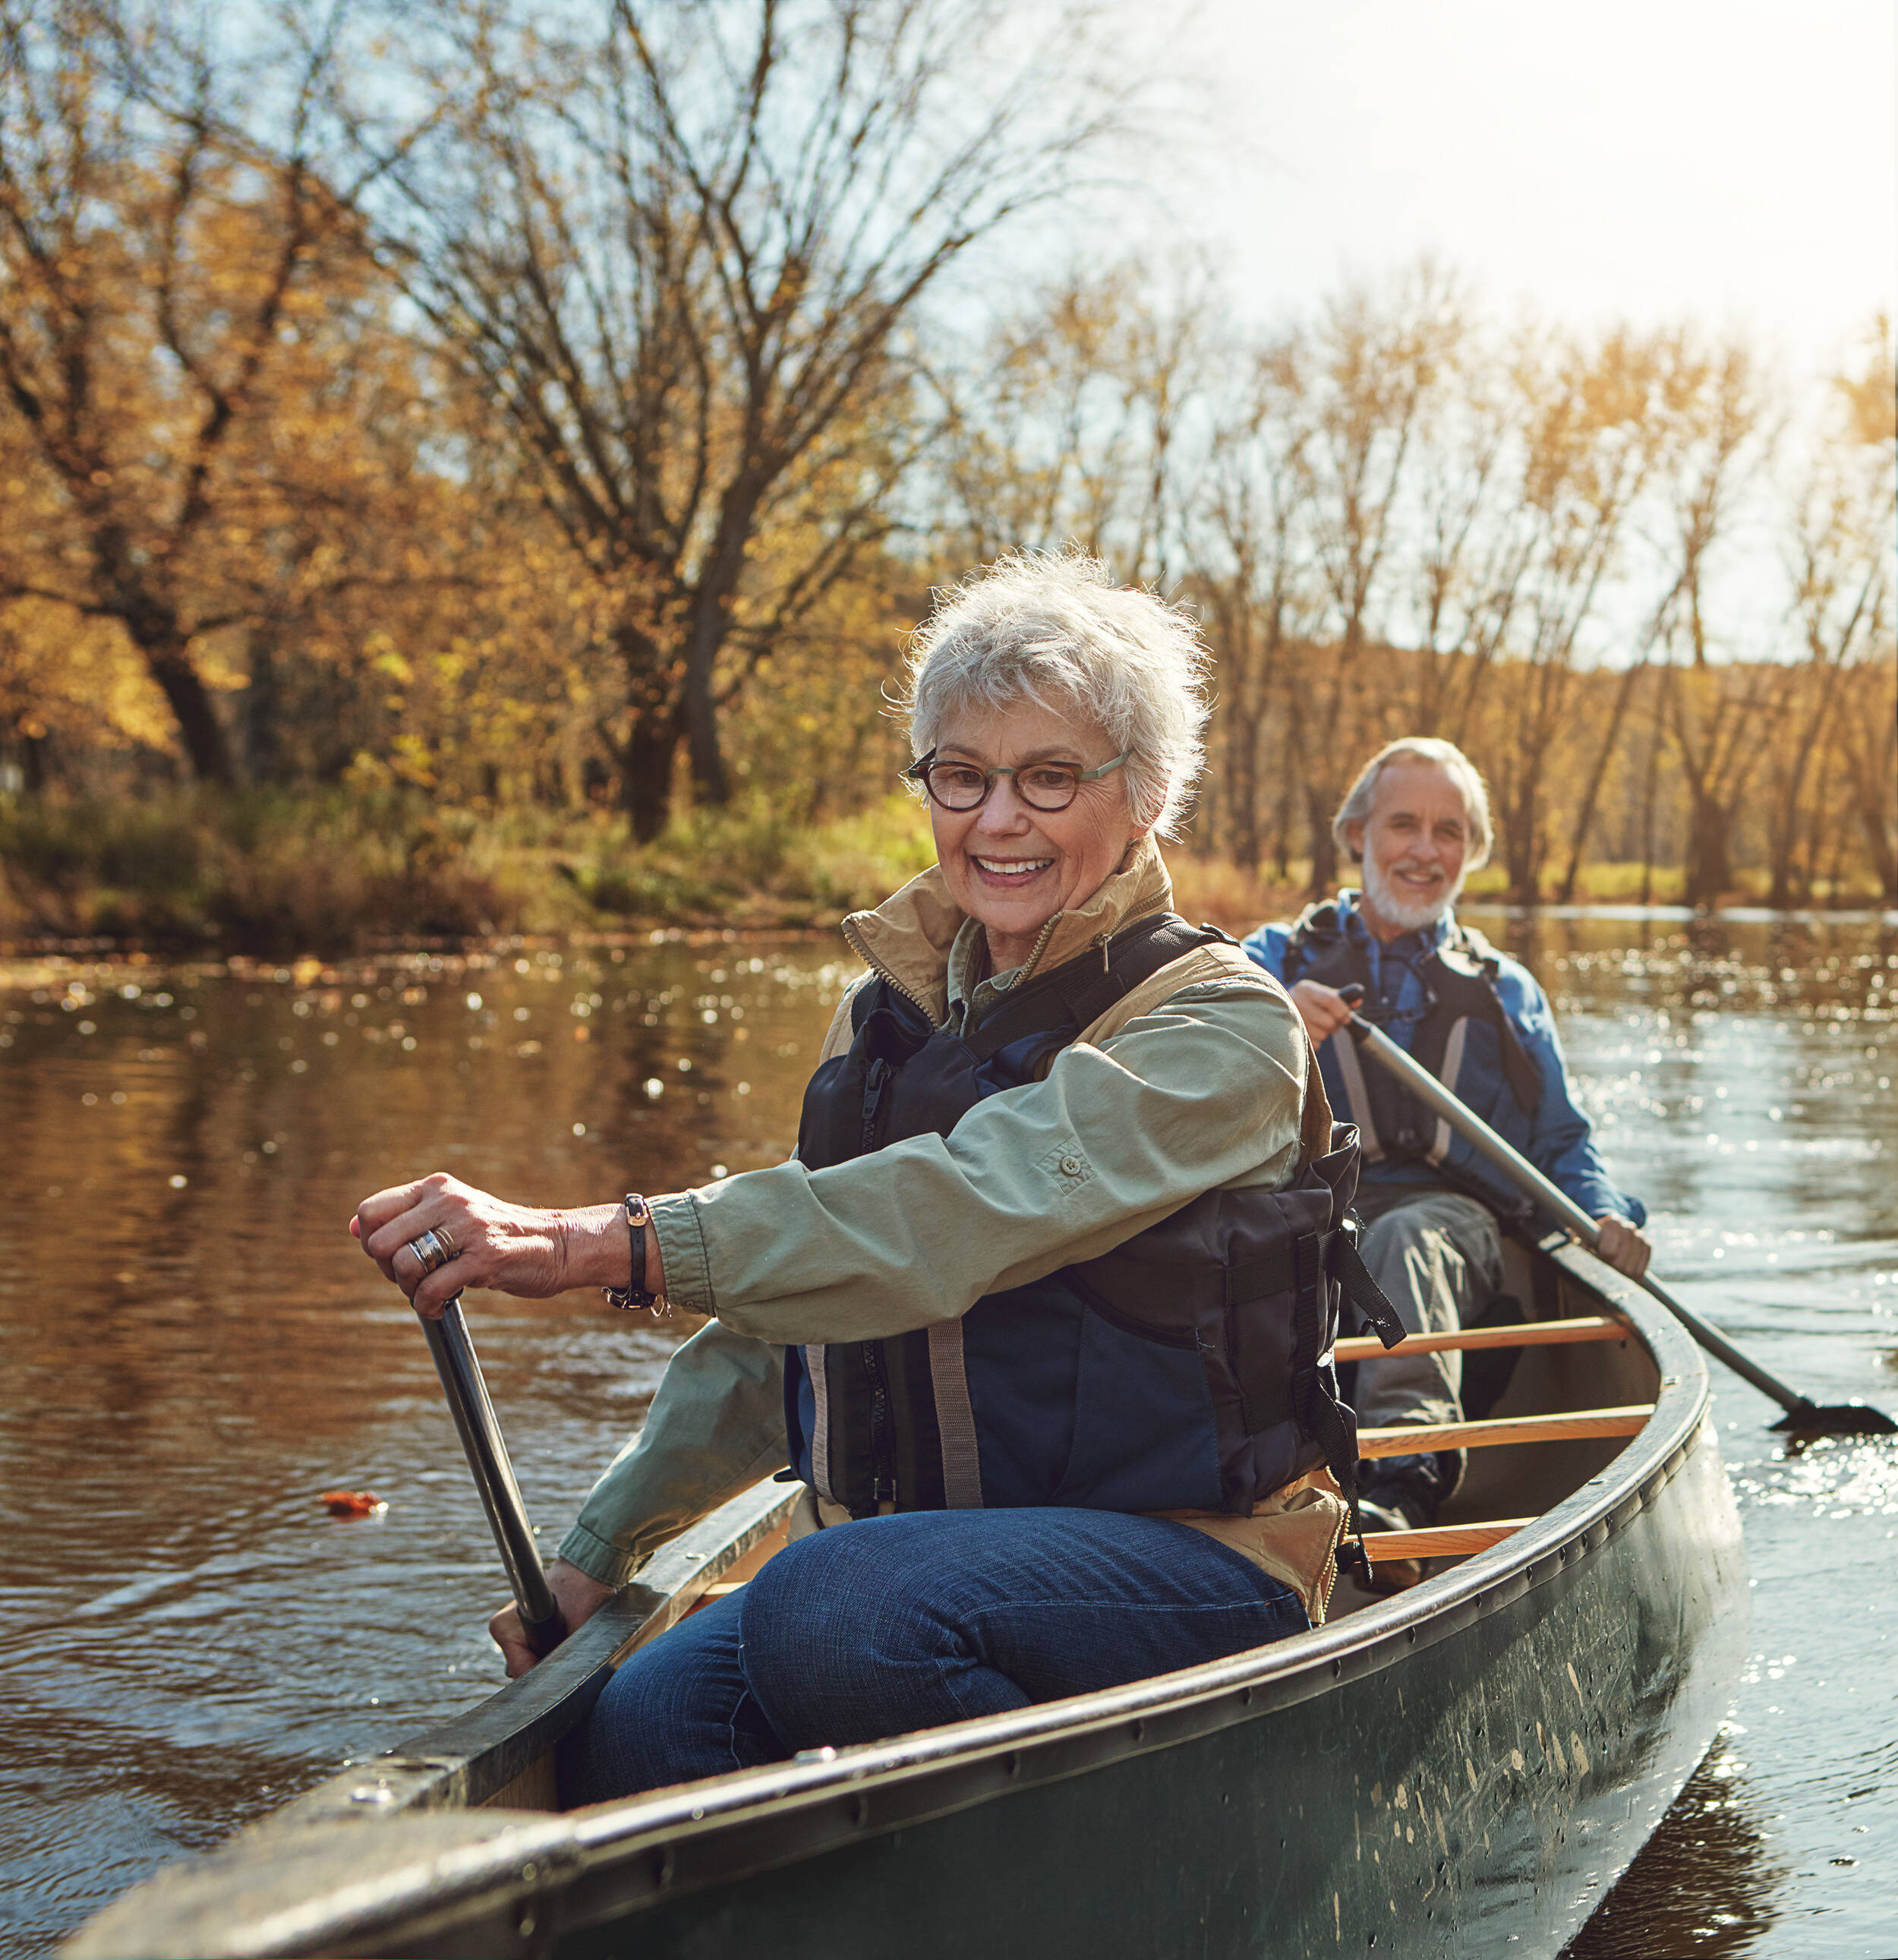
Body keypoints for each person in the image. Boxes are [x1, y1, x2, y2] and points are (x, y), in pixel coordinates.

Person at [352, 550, 1383, 1801]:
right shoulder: (885, 1025)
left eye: (1050, 777)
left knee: (828, 1612)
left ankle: (1091, 1862)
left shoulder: (1221, 1026)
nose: (997, 820)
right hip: (913, 1573)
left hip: (1193, 1562)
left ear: (1145, 796)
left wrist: (589, 1245)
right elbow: (777, 1335)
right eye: (963, 775)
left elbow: (954, 1214)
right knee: (638, 1731)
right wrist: (597, 1552)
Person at [1241, 737, 1651, 1572]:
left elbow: (1563, 1139)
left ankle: (1405, 1480)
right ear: (1355, 833)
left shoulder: (1504, 988)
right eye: (1403, 824)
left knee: (1405, 1237)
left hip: (1451, 1223)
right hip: (1308, 1209)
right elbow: (1184, 1071)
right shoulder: (1268, 963)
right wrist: (1270, 1019)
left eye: (1449, 831)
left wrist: (1606, 1211)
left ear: (1473, 853)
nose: (1425, 850)